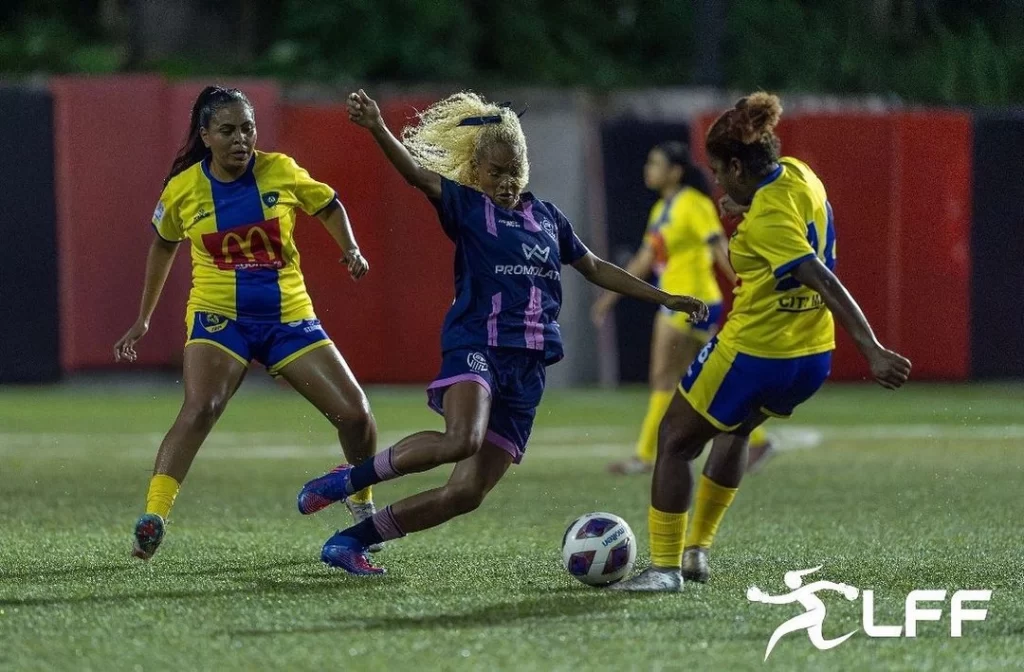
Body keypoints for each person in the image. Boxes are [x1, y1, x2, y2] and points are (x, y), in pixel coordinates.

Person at [294, 90, 709, 575]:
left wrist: (665, 297)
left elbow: (594, 267)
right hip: (477, 346)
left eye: (514, 171)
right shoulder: (467, 207)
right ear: (474, 172)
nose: (506, 182)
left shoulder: (549, 219)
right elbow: (414, 175)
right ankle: (348, 481)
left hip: (528, 367)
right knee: (460, 440)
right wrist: (377, 127)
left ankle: (350, 542)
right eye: (495, 172)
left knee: (466, 493)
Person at [611, 93, 912, 591]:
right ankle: (697, 552)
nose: (717, 183)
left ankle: (664, 569)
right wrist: (744, 200)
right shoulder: (798, 173)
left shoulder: (769, 218)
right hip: (810, 357)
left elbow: (820, 276)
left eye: (718, 171)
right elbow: (783, 210)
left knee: (675, 441)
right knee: (735, 431)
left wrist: (873, 347)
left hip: (755, 351)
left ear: (735, 164)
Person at [114, 86, 380, 560]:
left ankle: (361, 506)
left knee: (356, 414)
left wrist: (351, 248)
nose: (241, 139)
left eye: (248, 128)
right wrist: (144, 318)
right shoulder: (182, 189)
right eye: (228, 130)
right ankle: (154, 516)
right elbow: (162, 245)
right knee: (201, 407)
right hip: (221, 318)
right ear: (206, 135)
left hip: (288, 317)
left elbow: (329, 205)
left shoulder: (280, 170)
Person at [591, 141, 774, 476]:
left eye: (656, 163)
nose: (649, 169)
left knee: (664, 378)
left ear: (675, 171)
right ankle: (758, 438)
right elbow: (646, 259)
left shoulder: (692, 204)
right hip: (685, 300)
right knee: (712, 377)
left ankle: (645, 455)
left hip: (690, 301)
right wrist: (610, 295)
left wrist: (744, 285)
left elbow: (718, 246)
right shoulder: (663, 208)